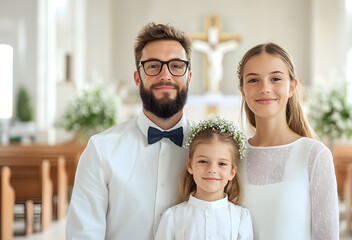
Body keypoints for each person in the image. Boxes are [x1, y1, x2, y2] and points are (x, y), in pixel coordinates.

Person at [66, 23, 194, 240]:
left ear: (188, 77)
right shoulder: (101, 150)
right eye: (153, 66)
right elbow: (83, 234)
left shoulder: (215, 150)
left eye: (176, 65)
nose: (166, 75)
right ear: (137, 78)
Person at [237, 42, 339, 239]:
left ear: (293, 86)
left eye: (275, 78)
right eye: (253, 80)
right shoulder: (234, 154)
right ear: (242, 90)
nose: (265, 88)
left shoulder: (314, 155)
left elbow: (327, 235)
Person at [155, 117, 253, 240]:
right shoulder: (173, 217)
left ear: (232, 172)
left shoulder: (241, 217)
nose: (212, 169)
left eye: (222, 164)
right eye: (203, 161)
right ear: (190, 165)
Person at [192, 26, 238, 95]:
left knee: (217, 78)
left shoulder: (220, 48)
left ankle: (215, 91)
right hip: (211, 67)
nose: (213, 46)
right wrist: (194, 43)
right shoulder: (208, 48)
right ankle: (211, 91)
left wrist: (234, 43)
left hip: (218, 67)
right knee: (211, 78)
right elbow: (197, 45)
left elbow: (231, 45)